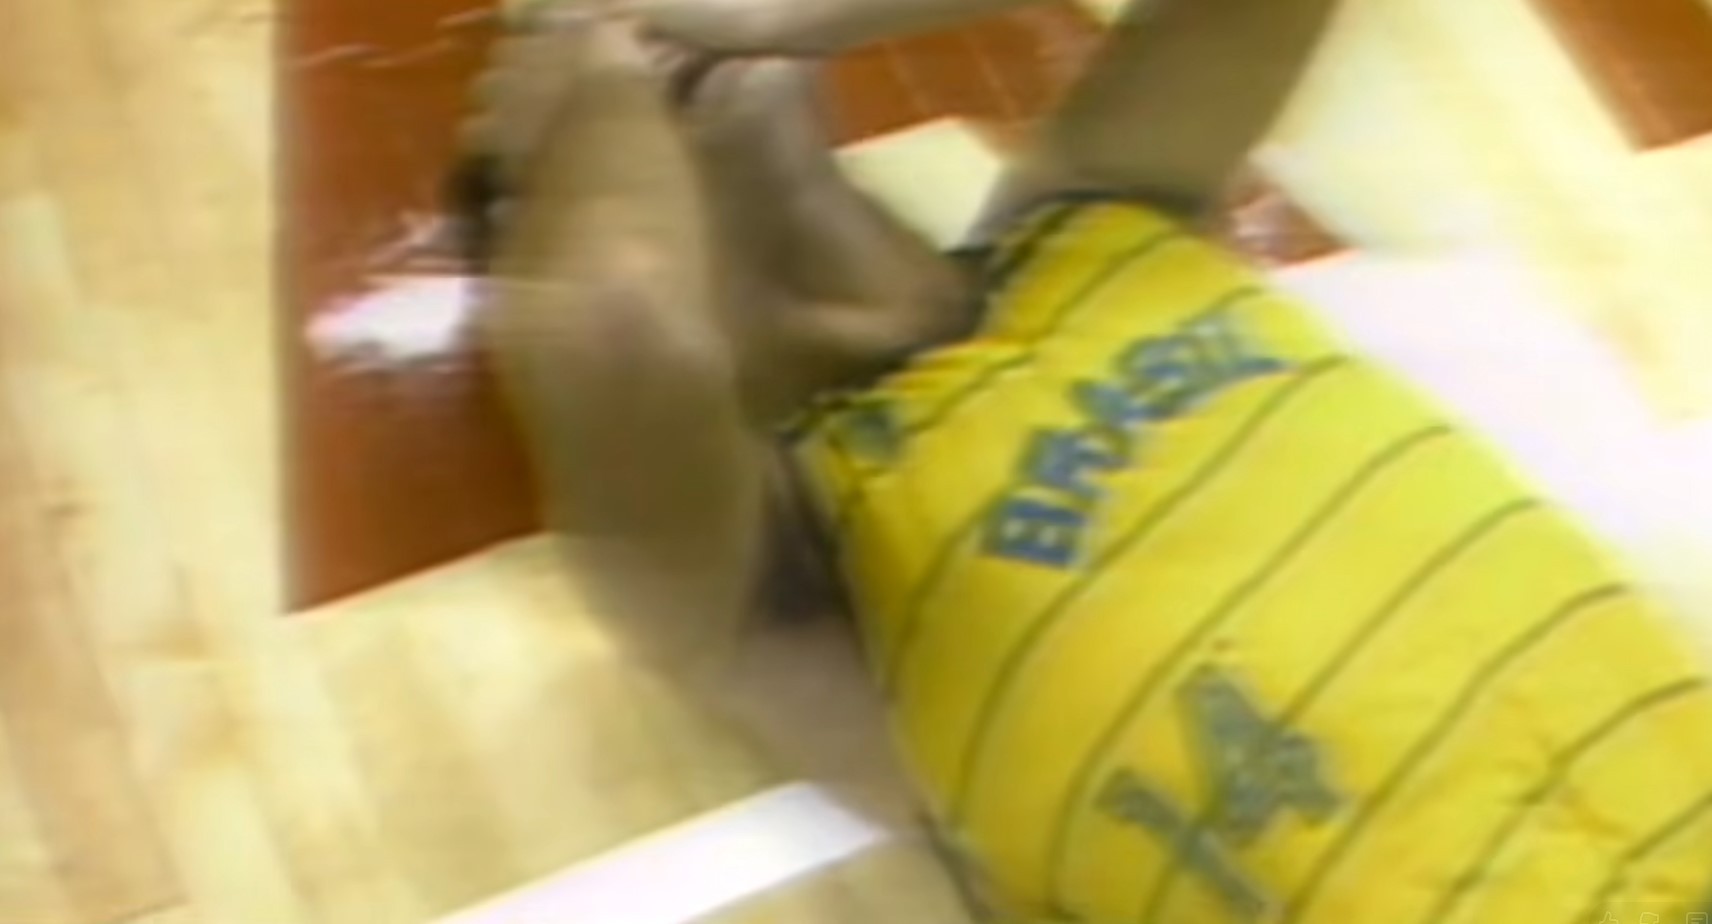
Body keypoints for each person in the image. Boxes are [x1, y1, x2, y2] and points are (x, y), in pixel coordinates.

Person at [461, 1, 1712, 921]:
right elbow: (616, 320)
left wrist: (792, 13)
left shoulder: (1103, 219)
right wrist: (593, 50)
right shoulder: (789, 580)